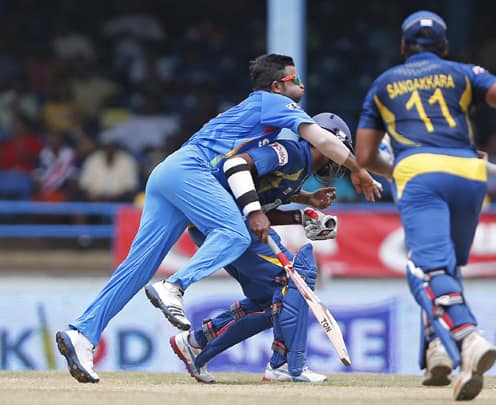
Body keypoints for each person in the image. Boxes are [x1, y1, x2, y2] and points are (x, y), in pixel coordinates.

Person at [55, 53, 381, 384]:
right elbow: (322, 139)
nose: (300, 84)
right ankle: (174, 286)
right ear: (277, 85)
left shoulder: (261, 112)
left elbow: (258, 180)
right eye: (294, 79)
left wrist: (302, 201)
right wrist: (359, 170)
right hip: (192, 171)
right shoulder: (273, 102)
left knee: (135, 269)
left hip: (170, 172)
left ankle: (81, 334)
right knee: (236, 234)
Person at [355, 11, 496, 401]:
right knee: (446, 267)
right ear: (443, 46)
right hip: (470, 172)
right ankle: (436, 350)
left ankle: (466, 337)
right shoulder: (462, 72)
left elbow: (365, 156)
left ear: (404, 47)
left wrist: (400, 168)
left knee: (422, 268)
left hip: (420, 172)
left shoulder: (384, 83)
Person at [171, 112, 354, 384]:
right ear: (324, 141)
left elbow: (264, 208)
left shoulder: (300, 169)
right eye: (339, 150)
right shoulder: (291, 151)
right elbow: (235, 166)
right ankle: (285, 365)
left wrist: (302, 213)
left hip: (228, 226)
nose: (340, 158)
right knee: (292, 282)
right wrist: (255, 212)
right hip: (228, 226)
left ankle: (197, 342)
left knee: (271, 302)